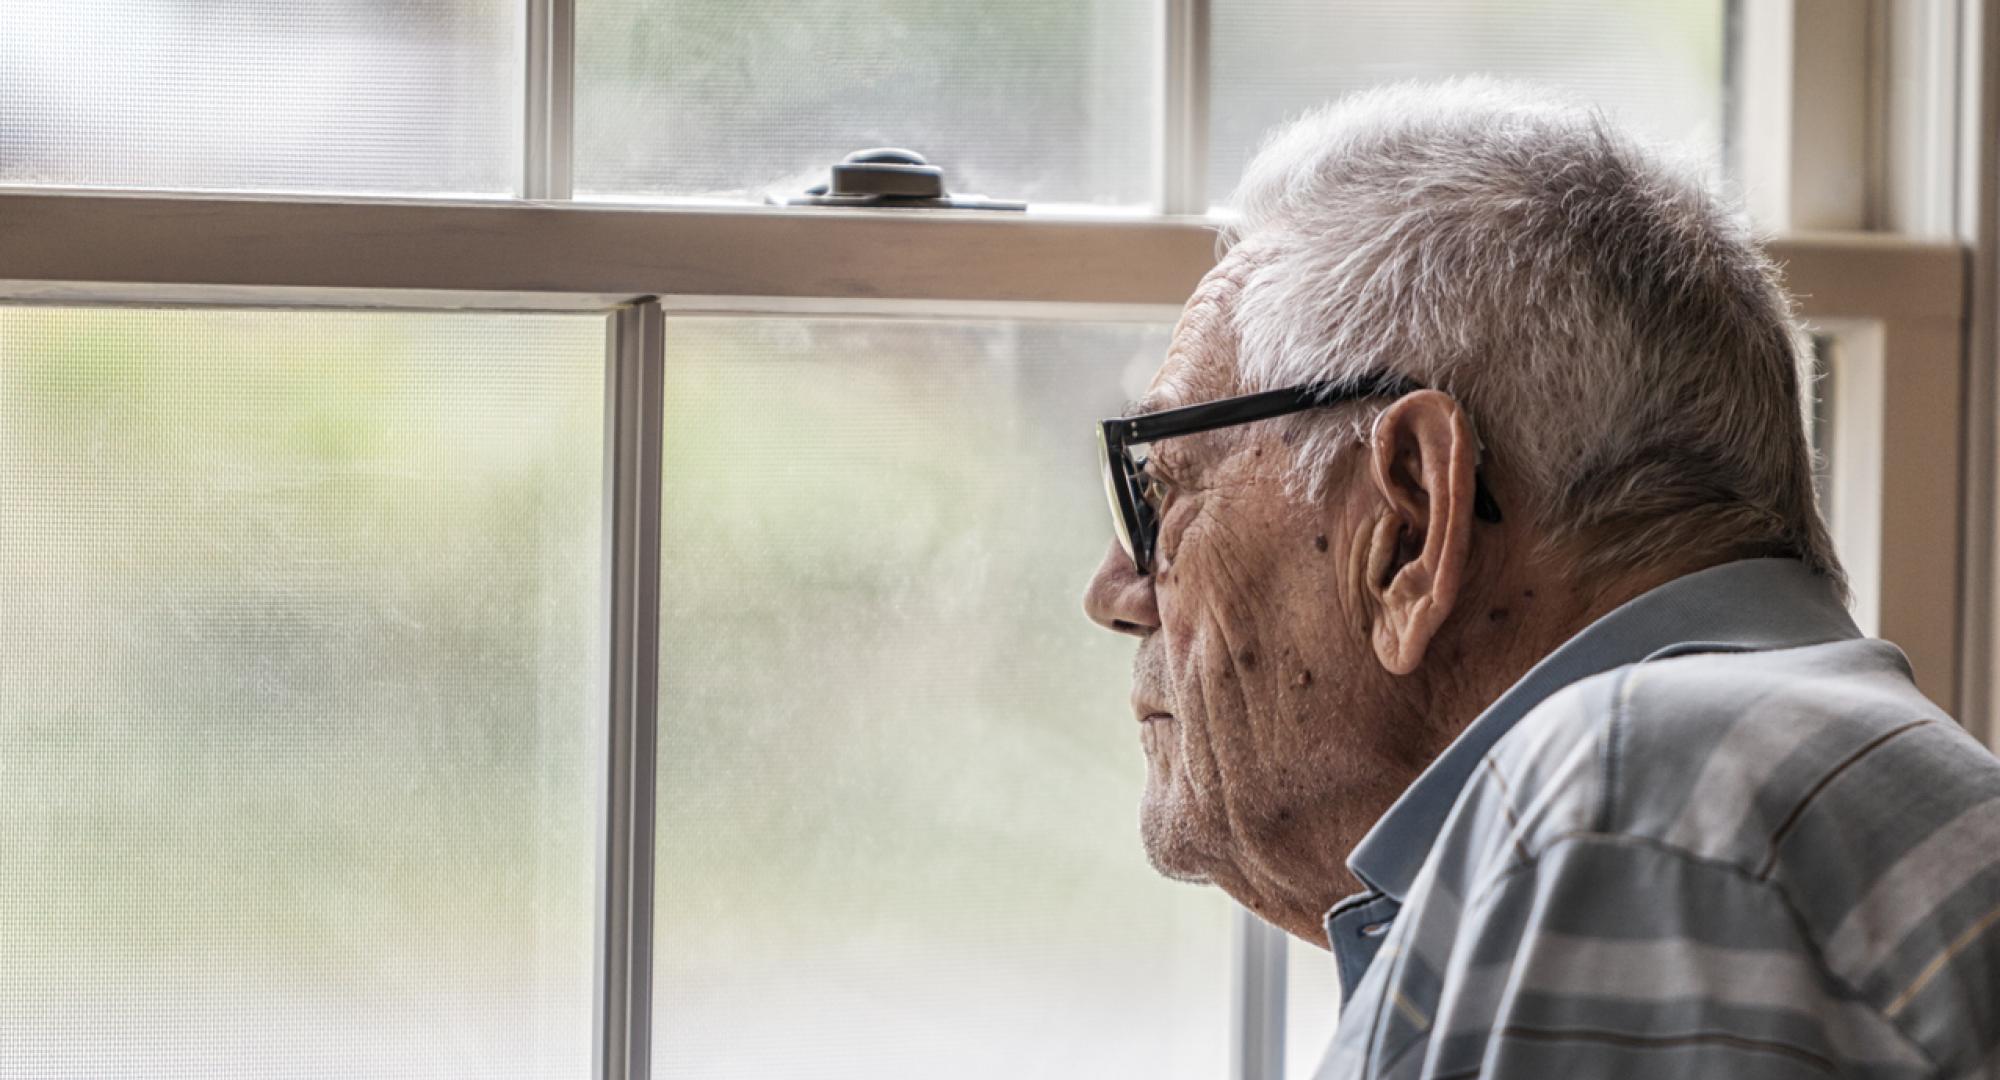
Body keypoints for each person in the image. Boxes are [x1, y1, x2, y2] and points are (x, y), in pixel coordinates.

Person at [1082, 79, 2000, 1078]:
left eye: (1165, 491)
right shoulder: (1756, 787)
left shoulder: (1634, 809)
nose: (1116, 589)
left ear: (1407, 525)